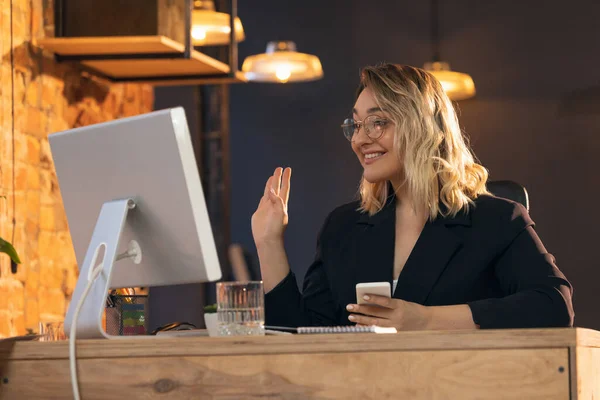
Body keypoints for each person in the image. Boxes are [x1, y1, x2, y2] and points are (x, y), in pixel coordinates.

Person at [251, 63, 574, 330]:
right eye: (357, 125)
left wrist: (425, 319)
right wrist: (269, 243)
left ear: (422, 127)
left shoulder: (498, 219)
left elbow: (553, 306)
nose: (360, 139)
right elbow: (300, 336)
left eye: (378, 123)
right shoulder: (343, 226)